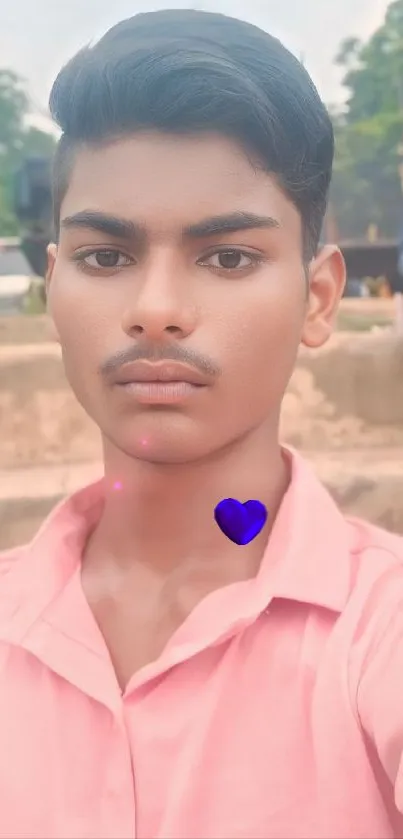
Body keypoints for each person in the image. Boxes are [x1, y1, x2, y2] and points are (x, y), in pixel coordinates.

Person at [1, 9, 403, 838]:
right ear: (54, 288)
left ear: (317, 297)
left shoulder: (382, 636)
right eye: (105, 257)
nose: (154, 311)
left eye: (227, 257)